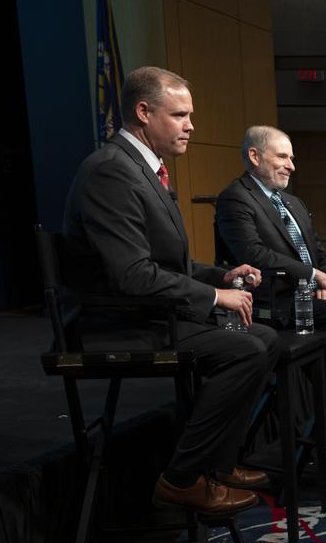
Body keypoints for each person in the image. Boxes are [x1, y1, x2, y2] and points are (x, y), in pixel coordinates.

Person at [60, 66, 277, 515]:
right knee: (246, 350)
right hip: (116, 324)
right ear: (143, 112)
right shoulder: (111, 172)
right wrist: (217, 298)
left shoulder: (142, 168)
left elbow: (164, 265)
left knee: (265, 339)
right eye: (180, 115)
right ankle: (181, 479)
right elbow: (132, 276)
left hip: (146, 314)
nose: (191, 125)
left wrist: (220, 276)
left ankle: (217, 461)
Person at [216, 125, 326, 441]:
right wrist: (313, 276)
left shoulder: (293, 202)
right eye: (283, 156)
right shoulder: (235, 199)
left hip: (310, 291)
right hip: (274, 298)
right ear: (254, 156)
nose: (291, 165)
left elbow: (318, 251)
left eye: (292, 158)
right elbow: (254, 253)